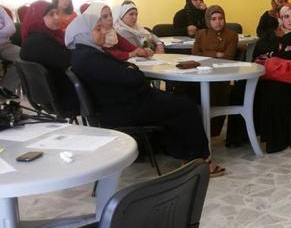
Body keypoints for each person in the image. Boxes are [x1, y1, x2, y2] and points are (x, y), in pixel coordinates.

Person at [65, 11, 224, 177]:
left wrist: (131, 70)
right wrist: (133, 71)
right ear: (82, 34)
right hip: (123, 108)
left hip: (119, 103)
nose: (103, 31)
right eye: (97, 29)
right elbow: (132, 77)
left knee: (174, 101)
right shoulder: (89, 58)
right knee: (185, 106)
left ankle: (185, 154)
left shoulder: (85, 54)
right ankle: (199, 161)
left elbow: (124, 71)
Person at [247, 3, 291, 153]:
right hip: (269, 75)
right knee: (246, 88)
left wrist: (273, 53)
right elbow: (258, 50)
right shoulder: (271, 33)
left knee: (272, 93)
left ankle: (278, 139)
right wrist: (284, 50)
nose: (290, 20)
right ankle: (247, 135)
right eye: (286, 16)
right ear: (280, 19)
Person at [19, 1, 78, 114]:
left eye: (57, 13)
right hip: (65, 99)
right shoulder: (40, 43)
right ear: (38, 18)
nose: (57, 17)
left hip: (48, 99)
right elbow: (71, 62)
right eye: (51, 14)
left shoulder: (32, 39)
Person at [192, 5, 238, 136]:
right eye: (214, 19)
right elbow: (194, 55)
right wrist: (215, 54)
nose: (218, 22)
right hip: (199, 73)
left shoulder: (232, 35)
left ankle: (212, 131)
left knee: (218, 92)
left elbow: (228, 57)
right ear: (208, 20)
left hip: (220, 75)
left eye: (220, 18)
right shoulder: (201, 34)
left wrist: (205, 53)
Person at [83, 3, 151, 61]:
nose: (110, 18)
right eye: (105, 16)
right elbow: (108, 55)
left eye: (110, 15)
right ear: (95, 19)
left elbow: (126, 45)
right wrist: (131, 54)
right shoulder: (93, 37)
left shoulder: (112, 32)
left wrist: (142, 51)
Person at [0, 7, 20, 98]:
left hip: (5, 45)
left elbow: (12, 28)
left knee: (24, 57)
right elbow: (7, 30)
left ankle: (6, 88)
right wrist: (3, 31)